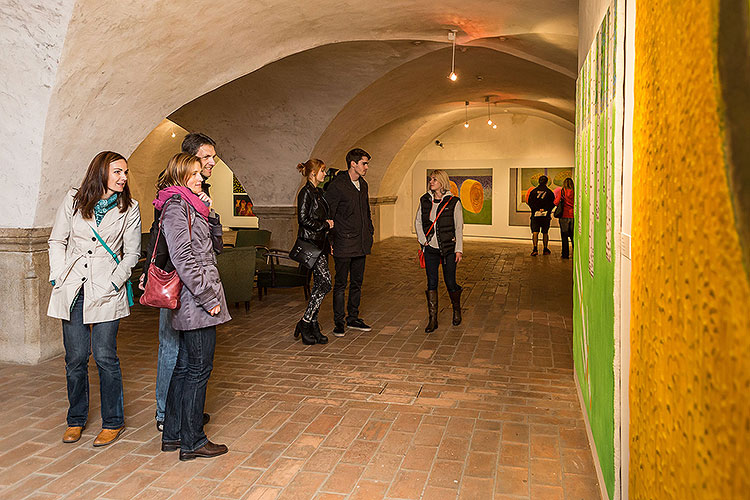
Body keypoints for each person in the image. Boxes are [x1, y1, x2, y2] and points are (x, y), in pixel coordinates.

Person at [48, 151, 141, 447]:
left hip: (106, 290)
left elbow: (133, 253)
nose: (123, 178)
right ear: (101, 172)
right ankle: (75, 420)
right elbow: (57, 240)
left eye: (125, 172)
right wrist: (59, 274)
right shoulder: (74, 200)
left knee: (104, 356)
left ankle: (113, 422)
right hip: (73, 287)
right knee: (75, 358)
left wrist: (115, 281)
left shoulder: (130, 208)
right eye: (117, 172)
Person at [153, 153, 231, 461]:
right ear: (180, 175)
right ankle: (194, 441)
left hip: (196, 298)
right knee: (200, 368)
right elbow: (183, 259)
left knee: (185, 367)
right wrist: (208, 297)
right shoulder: (176, 207)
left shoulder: (193, 206)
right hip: (194, 301)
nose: (201, 178)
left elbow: (215, 248)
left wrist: (211, 217)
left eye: (201, 172)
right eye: (195, 173)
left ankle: (173, 435)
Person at [145, 133, 218, 432]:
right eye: (206, 157)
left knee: (188, 356)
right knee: (172, 347)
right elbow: (172, 245)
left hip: (192, 283)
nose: (212, 162)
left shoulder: (198, 192)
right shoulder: (173, 196)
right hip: (176, 282)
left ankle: (183, 413)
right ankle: (167, 415)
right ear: (190, 161)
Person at [324, 148, 375, 337]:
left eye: (367, 163)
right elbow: (329, 215)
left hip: (361, 242)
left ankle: (353, 318)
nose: (367, 167)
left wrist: (370, 230)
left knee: (357, 282)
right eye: (364, 163)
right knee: (340, 284)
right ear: (353, 164)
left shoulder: (364, 185)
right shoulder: (337, 186)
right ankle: (339, 322)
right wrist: (330, 240)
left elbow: (366, 211)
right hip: (343, 243)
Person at [415, 170, 464, 332]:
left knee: (450, 282)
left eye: (434, 179)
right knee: (432, 282)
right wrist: (424, 241)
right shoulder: (425, 200)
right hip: (430, 249)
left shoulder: (453, 202)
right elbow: (417, 222)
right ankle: (433, 319)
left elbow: (458, 227)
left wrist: (459, 250)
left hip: (449, 249)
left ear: (442, 182)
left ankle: (456, 310)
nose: (431, 182)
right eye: (430, 179)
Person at [293, 159, 334, 345]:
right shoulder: (306, 193)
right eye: (322, 171)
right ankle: (306, 321)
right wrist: (325, 224)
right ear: (312, 173)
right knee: (325, 283)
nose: (324, 174)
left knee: (319, 283)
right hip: (311, 245)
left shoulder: (318, 192)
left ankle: (313, 324)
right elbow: (303, 219)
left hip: (321, 244)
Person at [526, 175, 555, 256]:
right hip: (545, 216)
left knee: (535, 232)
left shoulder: (533, 191)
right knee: (545, 232)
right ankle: (545, 249)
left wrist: (536, 209)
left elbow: (530, 202)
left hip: (535, 216)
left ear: (539, 181)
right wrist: (545, 209)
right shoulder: (549, 192)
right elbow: (553, 203)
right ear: (546, 182)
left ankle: (535, 249)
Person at [554, 177, 575, 259]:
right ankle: (575, 253)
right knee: (573, 236)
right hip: (573, 215)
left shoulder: (562, 191)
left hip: (564, 216)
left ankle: (565, 254)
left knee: (564, 236)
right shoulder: (575, 192)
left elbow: (556, 202)